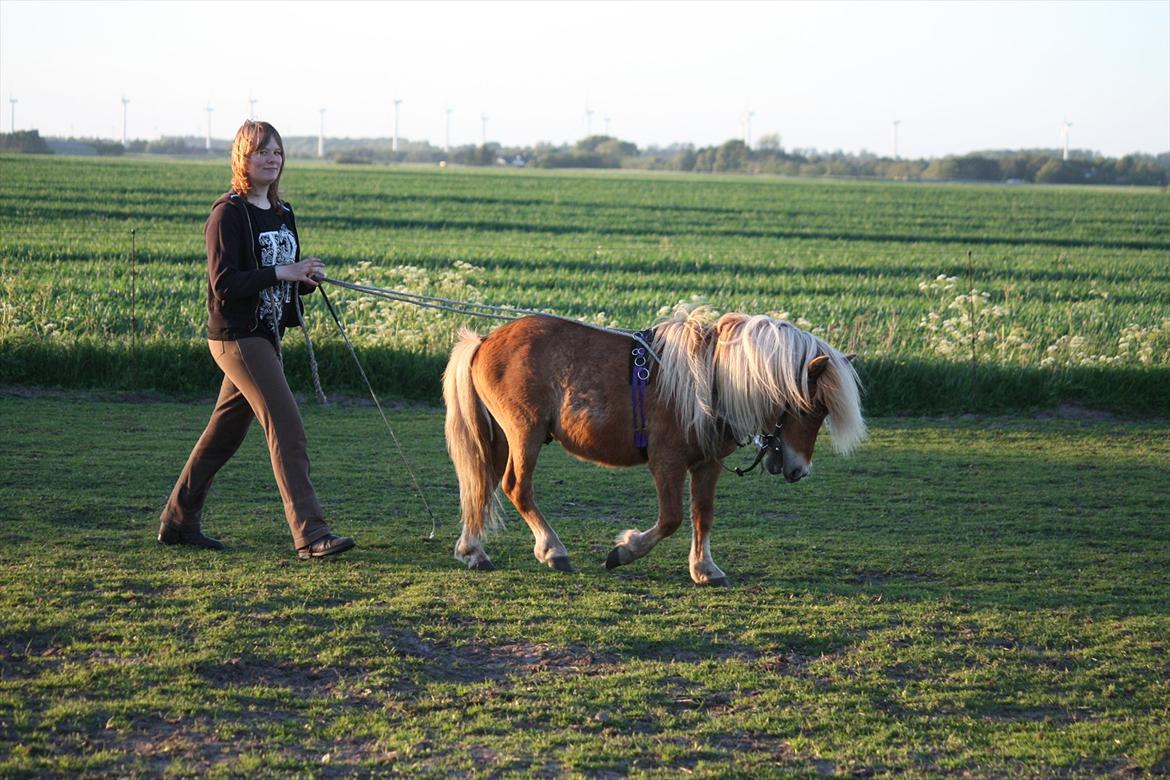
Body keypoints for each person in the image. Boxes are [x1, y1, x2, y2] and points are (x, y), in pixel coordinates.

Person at [158, 120, 355, 559]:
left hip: (265, 337)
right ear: (242, 159)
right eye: (261, 151)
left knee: (223, 437)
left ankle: (177, 520)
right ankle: (310, 533)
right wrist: (283, 271)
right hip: (236, 337)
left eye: (277, 152)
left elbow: (281, 278)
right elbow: (224, 283)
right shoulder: (228, 213)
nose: (271, 159)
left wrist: (303, 277)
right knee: (287, 426)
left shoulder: (283, 214)